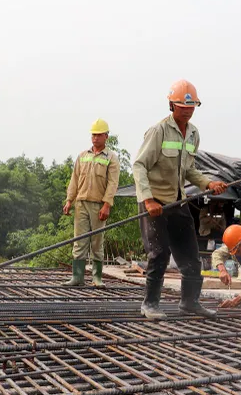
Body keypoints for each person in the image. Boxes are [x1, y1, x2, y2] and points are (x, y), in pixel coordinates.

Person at [132, 79, 227, 319]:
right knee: (159, 253)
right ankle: (150, 304)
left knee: (191, 258)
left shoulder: (194, 134)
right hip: (155, 203)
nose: (187, 110)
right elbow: (139, 165)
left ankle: (189, 302)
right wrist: (148, 200)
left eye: (191, 106)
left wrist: (208, 183)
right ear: (171, 106)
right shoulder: (159, 131)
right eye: (182, 106)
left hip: (178, 202)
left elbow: (189, 170)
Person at [62, 118, 121, 287]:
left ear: (106, 136)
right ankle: (77, 277)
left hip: (98, 205)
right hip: (81, 203)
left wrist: (107, 204)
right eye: (93, 135)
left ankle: (97, 278)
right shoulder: (82, 156)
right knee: (79, 241)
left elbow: (112, 184)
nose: (95, 138)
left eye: (99, 135)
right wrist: (69, 200)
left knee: (97, 241)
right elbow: (74, 180)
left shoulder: (111, 158)